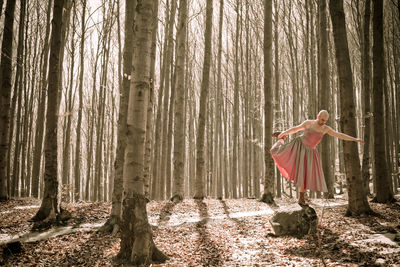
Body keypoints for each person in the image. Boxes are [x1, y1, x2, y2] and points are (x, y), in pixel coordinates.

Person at [270, 110, 365, 205]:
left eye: (325, 120)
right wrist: (283, 134)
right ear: (318, 116)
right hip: (300, 146)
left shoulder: (325, 129)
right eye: (322, 119)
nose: (323, 122)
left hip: (310, 152)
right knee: (281, 152)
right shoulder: (308, 123)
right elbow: (295, 129)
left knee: (306, 174)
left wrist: (355, 139)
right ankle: (281, 139)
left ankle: (301, 198)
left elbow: (339, 135)